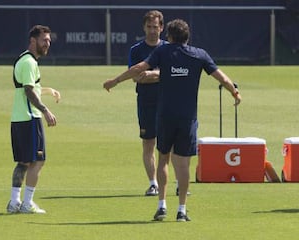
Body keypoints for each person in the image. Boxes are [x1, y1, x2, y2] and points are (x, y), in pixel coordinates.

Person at [103, 19, 241, 222]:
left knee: (163, 159)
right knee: (183, 164)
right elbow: (222, 77)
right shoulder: (199, 55)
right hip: (187, 118)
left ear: (168, 36)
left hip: (165, 116)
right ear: (188, 37)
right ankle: (182, 210)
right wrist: (234, 92)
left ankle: (162, 205)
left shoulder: (162, 52)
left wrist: (115, 81)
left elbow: (138, 68)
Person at [6, 25, 61, 214]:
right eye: (44, 40)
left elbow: (27, 87)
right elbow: (29, 91)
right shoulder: (30, 62)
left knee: (24, 162)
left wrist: (47, 90)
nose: (47, 44)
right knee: (38, 161)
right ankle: (27, 203)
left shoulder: (23, 60)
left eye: (49, 41)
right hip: (30, 118)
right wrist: (45, 110)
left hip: (19, 118)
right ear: (33, 41)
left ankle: (14, 202)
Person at [128, 10, 166, 196]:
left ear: (162, 27)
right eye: (149, 27)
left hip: (167, 102)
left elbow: (172, 75)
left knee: (170, 145)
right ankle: (153, 183)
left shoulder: (168, 48)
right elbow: (136, 77)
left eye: (156, 27)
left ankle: (173, 182)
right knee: (148, 143)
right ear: (144, 27)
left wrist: (152, 74)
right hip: (145, 102)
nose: (152, 31)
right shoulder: (136, 50)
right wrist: (160, 75)